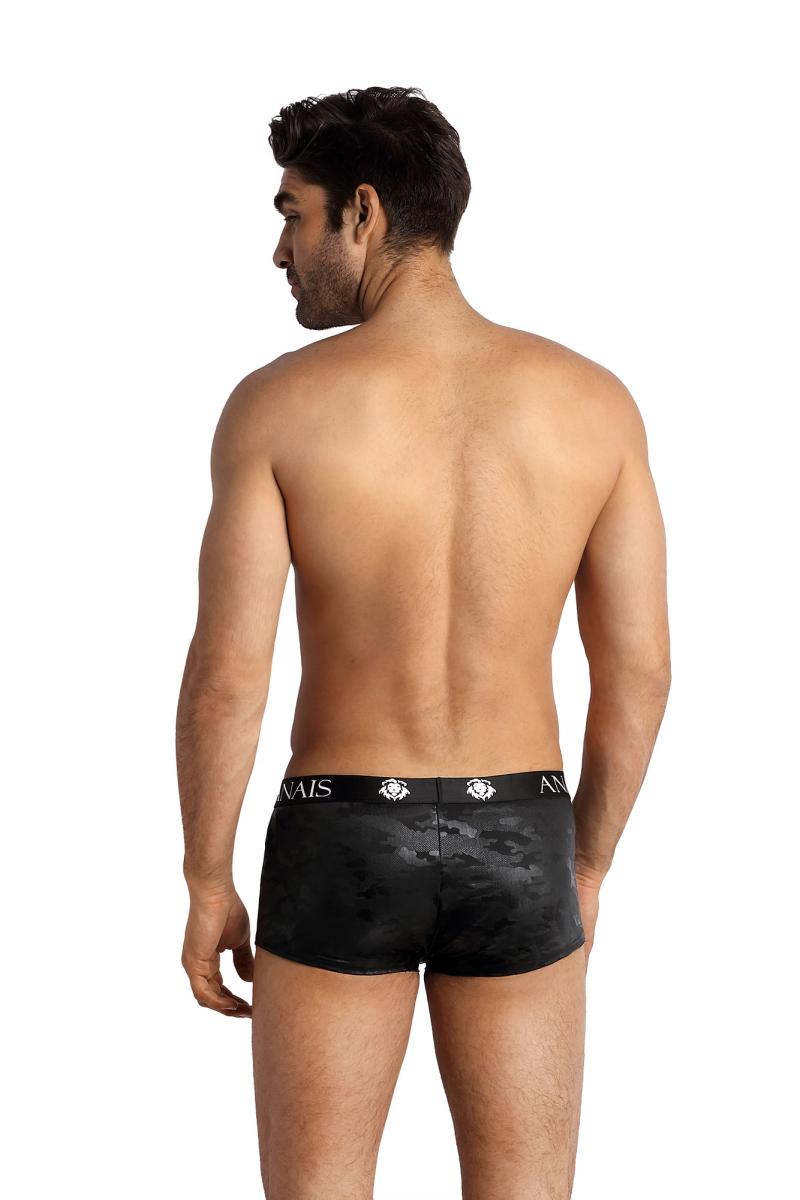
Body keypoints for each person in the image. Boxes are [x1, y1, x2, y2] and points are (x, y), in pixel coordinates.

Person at [176, 85, 671, 1200]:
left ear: (363, 211)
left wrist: (207, 876)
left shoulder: (276, 407)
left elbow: (226, 679)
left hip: (342, 829)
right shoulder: (593, 402)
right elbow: (640, 669)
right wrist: (585, 862)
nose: (278, 251)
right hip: (521, 825)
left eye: (291, 215)